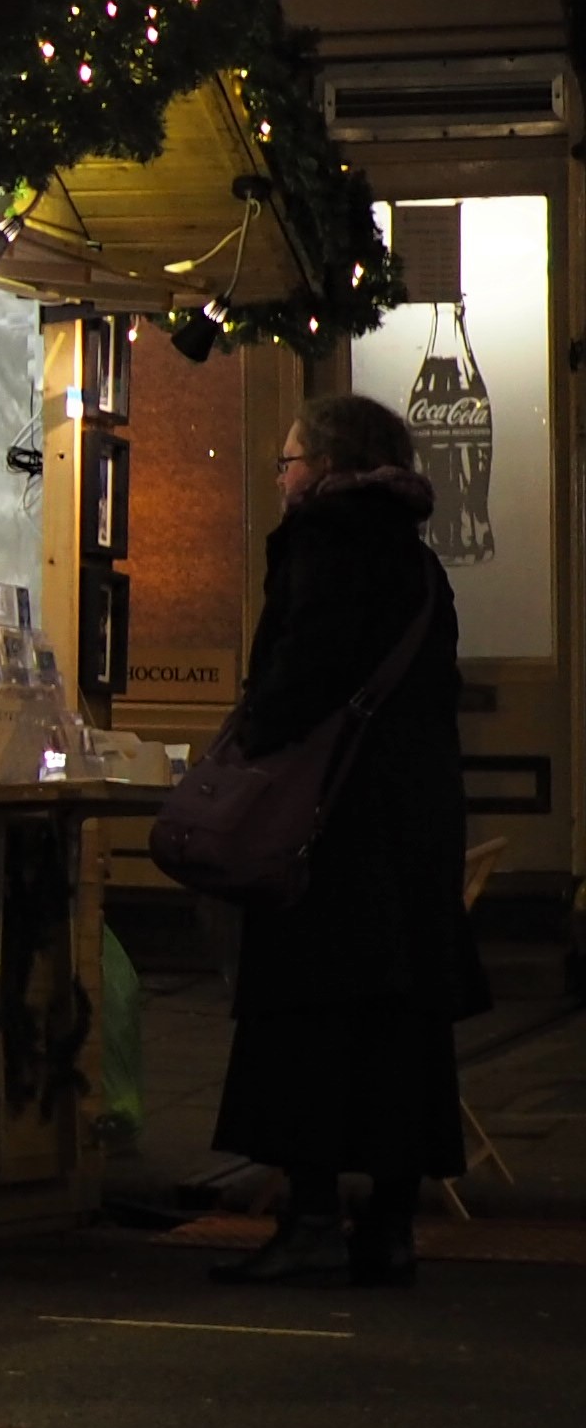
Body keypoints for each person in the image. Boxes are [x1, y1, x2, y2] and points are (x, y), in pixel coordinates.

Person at [208, 391, 476, 1285]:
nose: (282, 474)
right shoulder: (417, 563)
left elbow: (294, 683)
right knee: (400, 1031)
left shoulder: (323, 548)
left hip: (327, 831)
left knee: (306, 1026)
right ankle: (390, 1223)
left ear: (326, 466)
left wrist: (249, 742)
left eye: (289, 458)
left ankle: (312, 1215)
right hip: (413, 830)